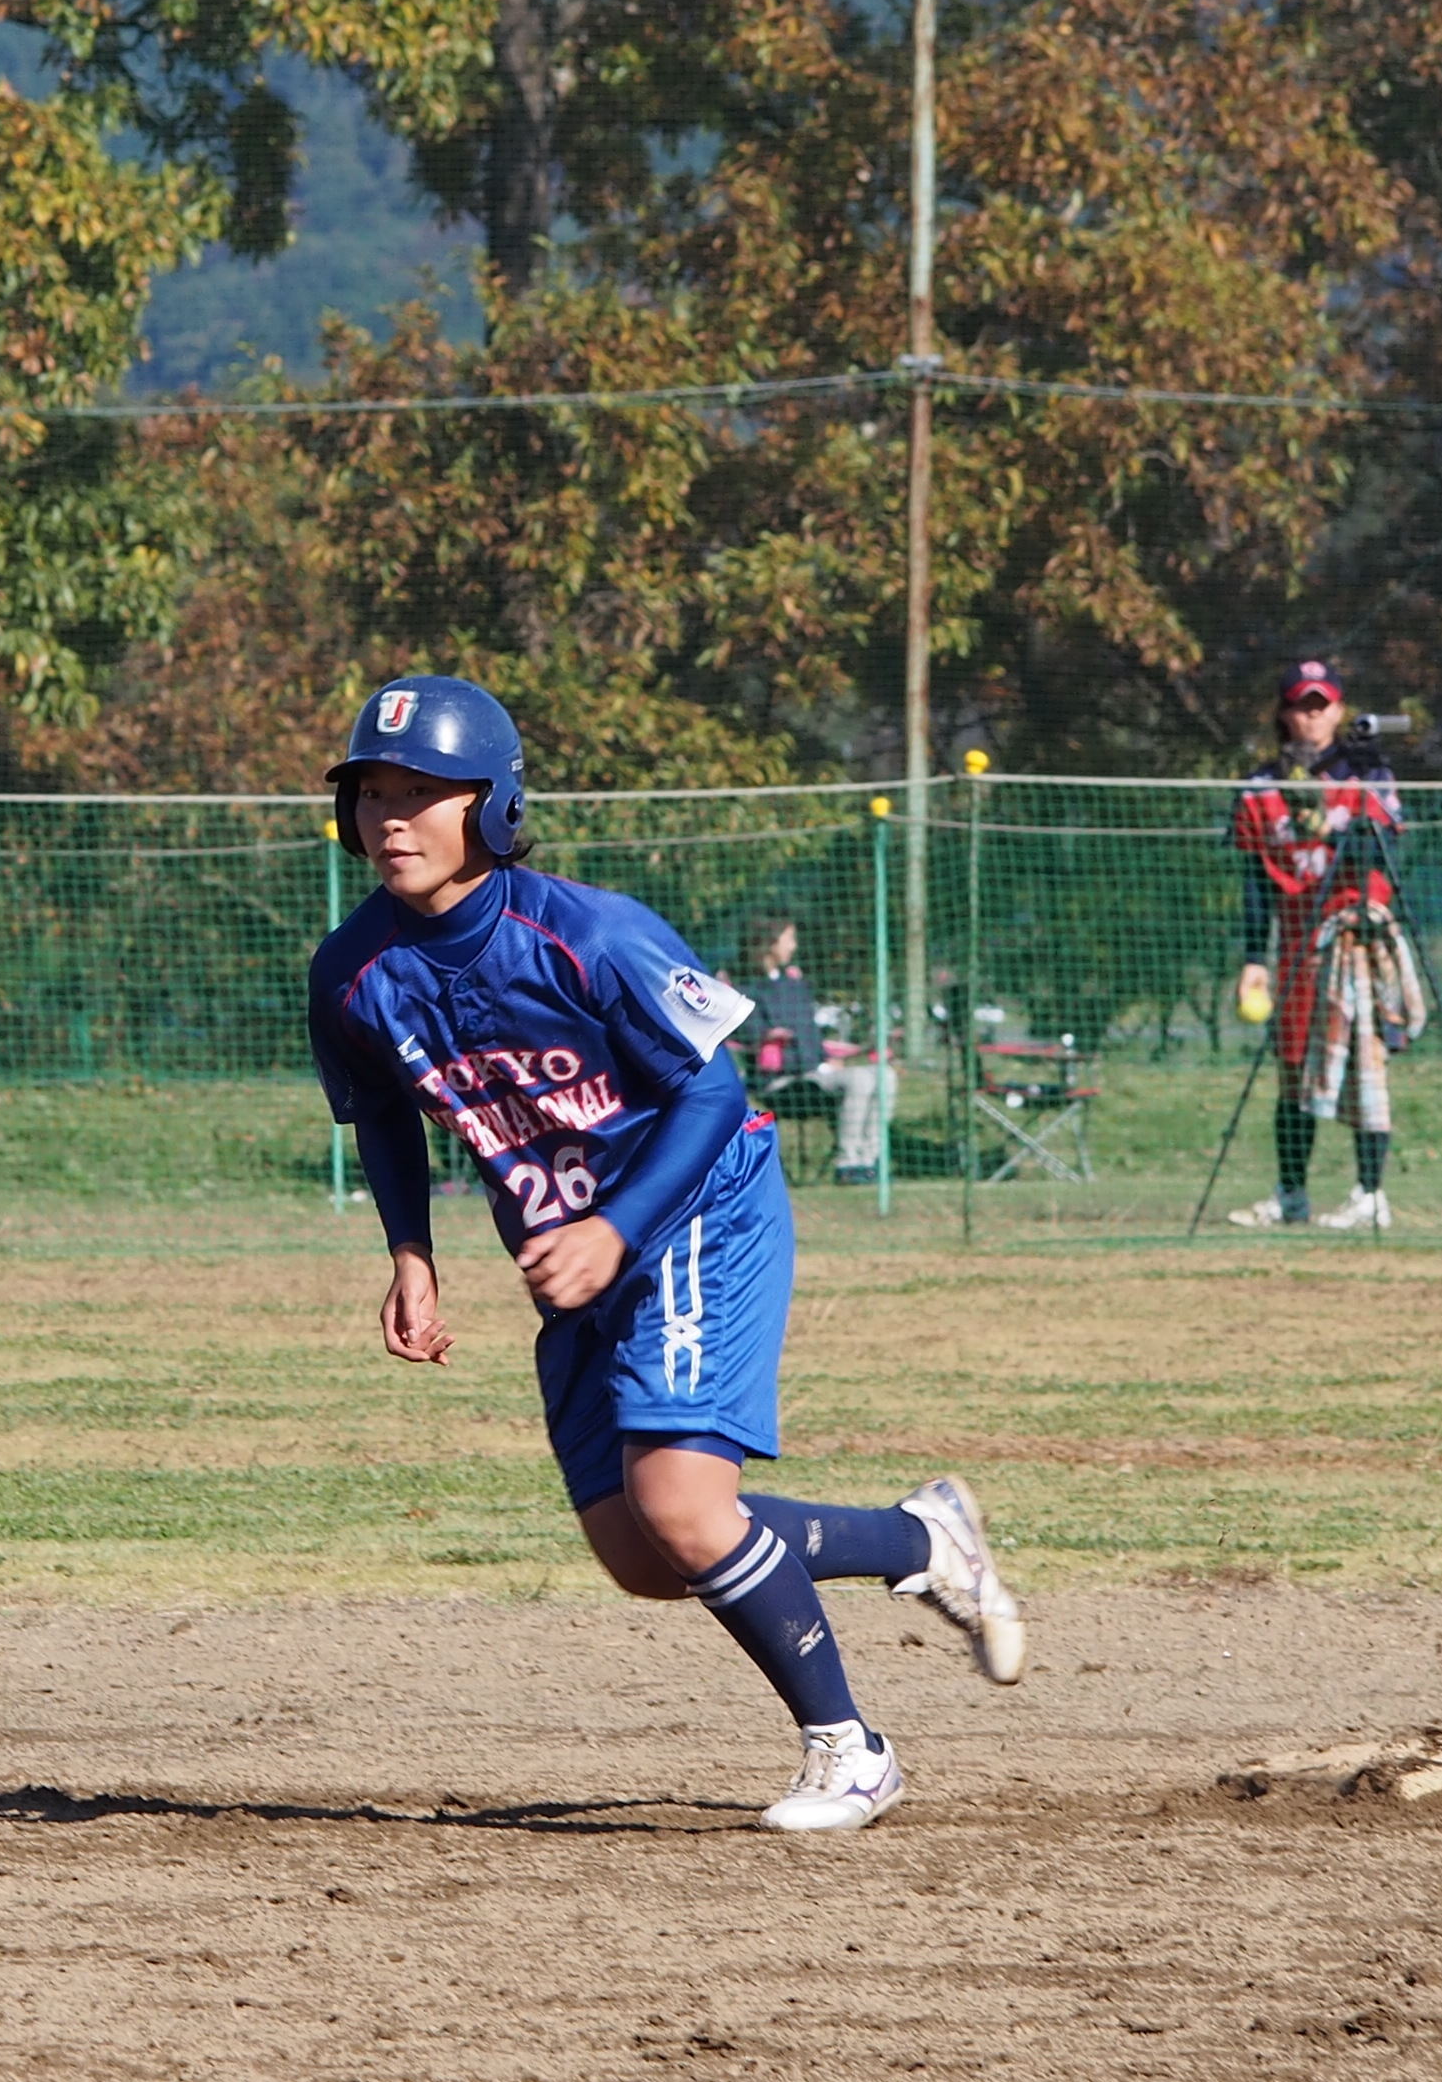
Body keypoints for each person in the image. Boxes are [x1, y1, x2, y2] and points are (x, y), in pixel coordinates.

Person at [309, 675, 1024, 1836]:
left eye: (426, 791)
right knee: (647, 1552)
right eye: (373, 792)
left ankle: (853, 1750)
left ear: (491, 805)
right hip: (576, 1249)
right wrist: (412, 1253)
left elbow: (715, 1087)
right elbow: (385, 1112)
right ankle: (918, 1538)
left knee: (685, 1506)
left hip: (697, 1207)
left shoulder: (587, 934)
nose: (392, 816)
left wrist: (614, 1228)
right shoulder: (351, 972)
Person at [1227, 656, 1410, 1231]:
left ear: (1339, 709)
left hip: (1353, 935)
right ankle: (1291, 1194)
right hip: (1298, 942)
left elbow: (1387, 851)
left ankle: (1370, 1194)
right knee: (1293, 1068)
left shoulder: (1367, 774)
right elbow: (1257, 879)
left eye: (1322, 705)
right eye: (1302, 706)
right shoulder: (1262, 787)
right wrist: (1255, 958)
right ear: (1284, 713)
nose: (1313, 717)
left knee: (1365, 1065)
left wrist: (1337, 824)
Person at [728, 920, 893, 1186]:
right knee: (860, 1080)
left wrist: (829, 1060)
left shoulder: (796, 986)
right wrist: (772, 1040)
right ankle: (847, 1163)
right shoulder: (743, 990)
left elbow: (810, 1036)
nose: (793, 946)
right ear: (768, 944)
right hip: (782, 1082)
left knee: (884, 1075)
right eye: (789, 939)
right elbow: (746, 1036)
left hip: (816, 1071)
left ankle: (870, 1159)